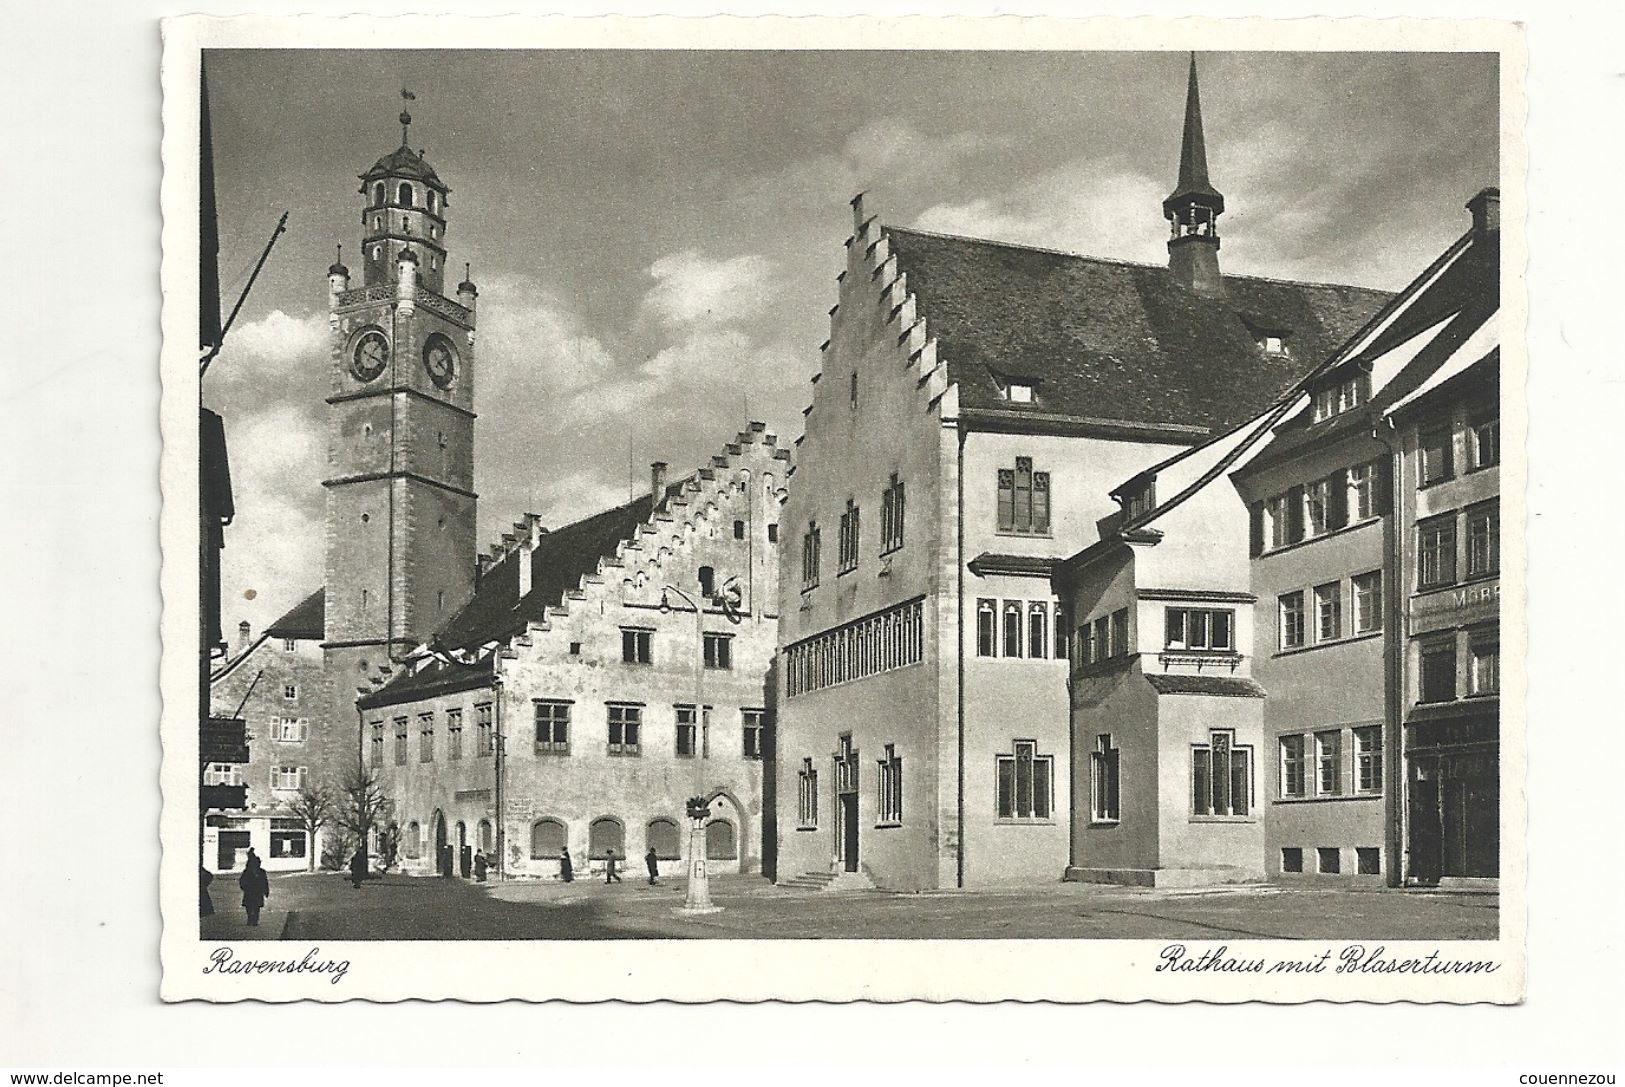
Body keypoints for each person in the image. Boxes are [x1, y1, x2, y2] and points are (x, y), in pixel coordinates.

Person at [238, 850, 270, 926]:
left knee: (256, 907)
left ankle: (255, 920)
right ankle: (249, 919)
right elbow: (242, 881)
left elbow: (265, 882)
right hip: (249, 891)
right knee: (248, 906)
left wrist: (266, 891)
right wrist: (244, 887)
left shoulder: (261, 872)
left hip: (258, 892)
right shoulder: (247, 872)